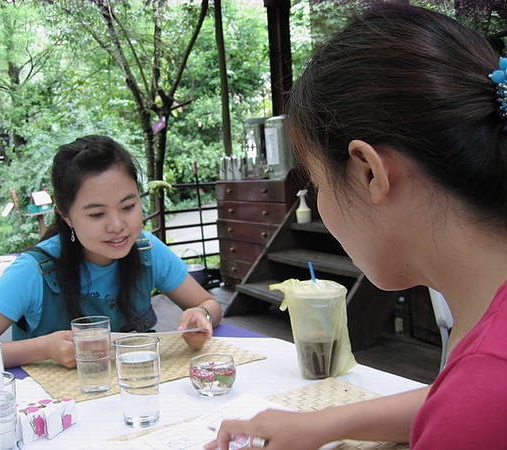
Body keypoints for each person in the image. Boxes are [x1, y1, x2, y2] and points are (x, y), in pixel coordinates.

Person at [207, 4, 507, 450]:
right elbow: (454, 398)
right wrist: (324, 423)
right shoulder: (483, 373)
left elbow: (470, 404)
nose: (322, 205)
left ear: (370, 172)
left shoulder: (484, 388)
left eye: (318, 184)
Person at [0, 135, 221, 368]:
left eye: (128, 207)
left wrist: (200, 316)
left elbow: (210, 305)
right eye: (97, 214)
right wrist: (43, 348)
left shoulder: (147, 251)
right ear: (66, 216)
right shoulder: (34, 271)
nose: (118, 226)